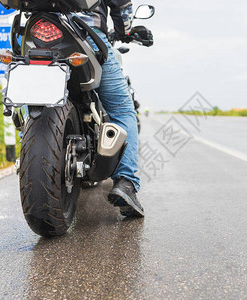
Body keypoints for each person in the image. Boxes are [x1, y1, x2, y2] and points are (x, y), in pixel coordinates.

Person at [79, 0, 144, 218]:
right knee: (122, 110)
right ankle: (125, 183)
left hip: (37, 33)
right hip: (86, 34)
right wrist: (125, 30)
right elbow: (121, 4)